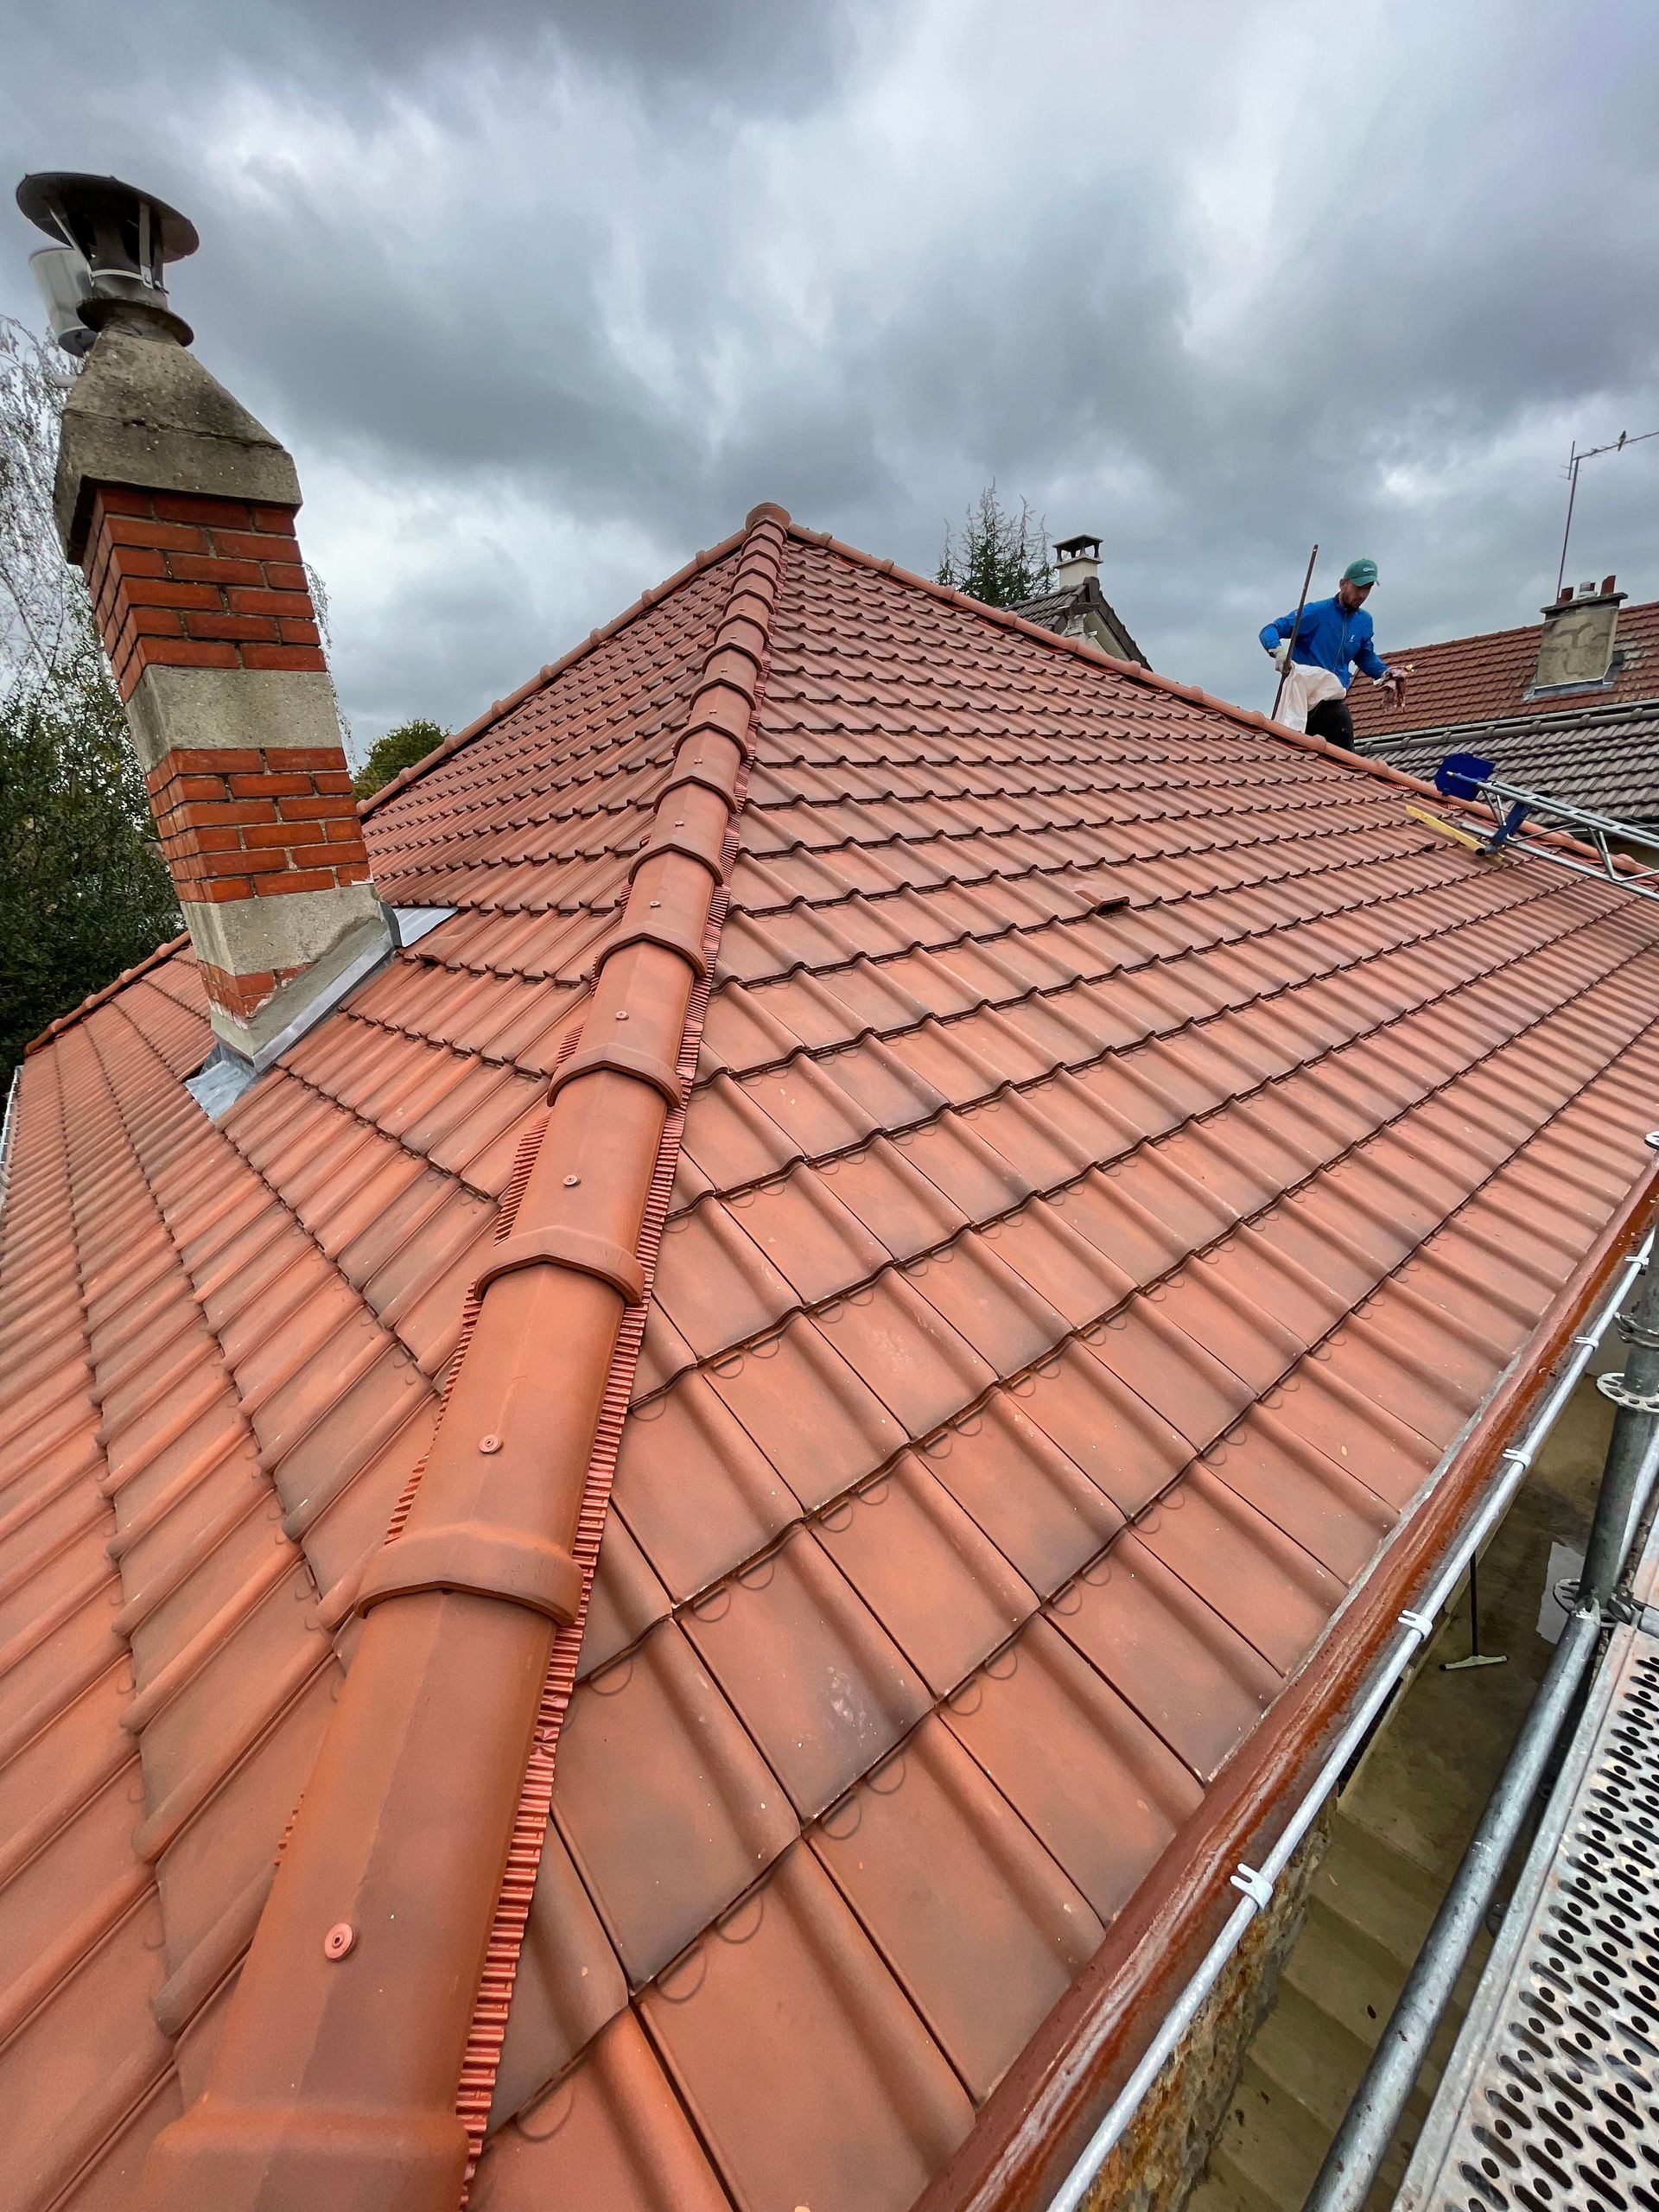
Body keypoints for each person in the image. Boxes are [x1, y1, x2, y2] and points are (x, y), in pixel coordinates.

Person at [1259, 558, 1403, 748]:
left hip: (1332, 702)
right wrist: (1278, 652)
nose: (1361, 594)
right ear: (1343, 584)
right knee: (1286, 752)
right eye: (1358, 587)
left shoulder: (1363, 622)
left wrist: (1386, 674)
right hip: (1302, 701)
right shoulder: (1316, 613)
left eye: (1367, 589)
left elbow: (1365, 656)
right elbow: (1270, 629)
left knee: (1342, 742)